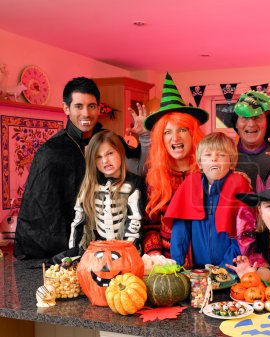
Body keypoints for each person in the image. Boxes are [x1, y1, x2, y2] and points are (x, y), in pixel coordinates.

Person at [14, 77, 146, 259]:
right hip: (66, 252)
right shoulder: (50, 152)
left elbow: (140, 172)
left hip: (116, 247)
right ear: (66, 108)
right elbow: (40, 210)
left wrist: (144, 137)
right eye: (78, 106)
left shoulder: (108, 140)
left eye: (91, 106)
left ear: (99, 108)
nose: (86, 113)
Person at [141, 73, 208, 265]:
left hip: (206, 264)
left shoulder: (208, 174)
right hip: (169, 266)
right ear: (161, 140)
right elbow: (150, 225)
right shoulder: (156, 178)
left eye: (182, 130)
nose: (175, 138)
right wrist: (154, 254)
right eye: (167, 132)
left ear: (193, 134)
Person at [165, 132, 252, 268]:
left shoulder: (239, 185)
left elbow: (243, 234)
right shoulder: (191, 185)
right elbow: (180, 231)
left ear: (231, 163)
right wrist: (177, 264)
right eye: (208, 155)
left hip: (232, 269)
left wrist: (225, 269)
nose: (214, 159)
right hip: (199, 270)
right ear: (200, 163)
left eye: (221, 155)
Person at [68, 130, 146, 253]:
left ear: (120, 152)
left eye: (109, 153)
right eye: (98, 157)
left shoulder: (134, 184)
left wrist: (125, 252)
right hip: (96, 252)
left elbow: (135, 223)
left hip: (128, 252)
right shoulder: (89, 185)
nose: (105, 161)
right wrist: (73, 253)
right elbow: (78, 221)